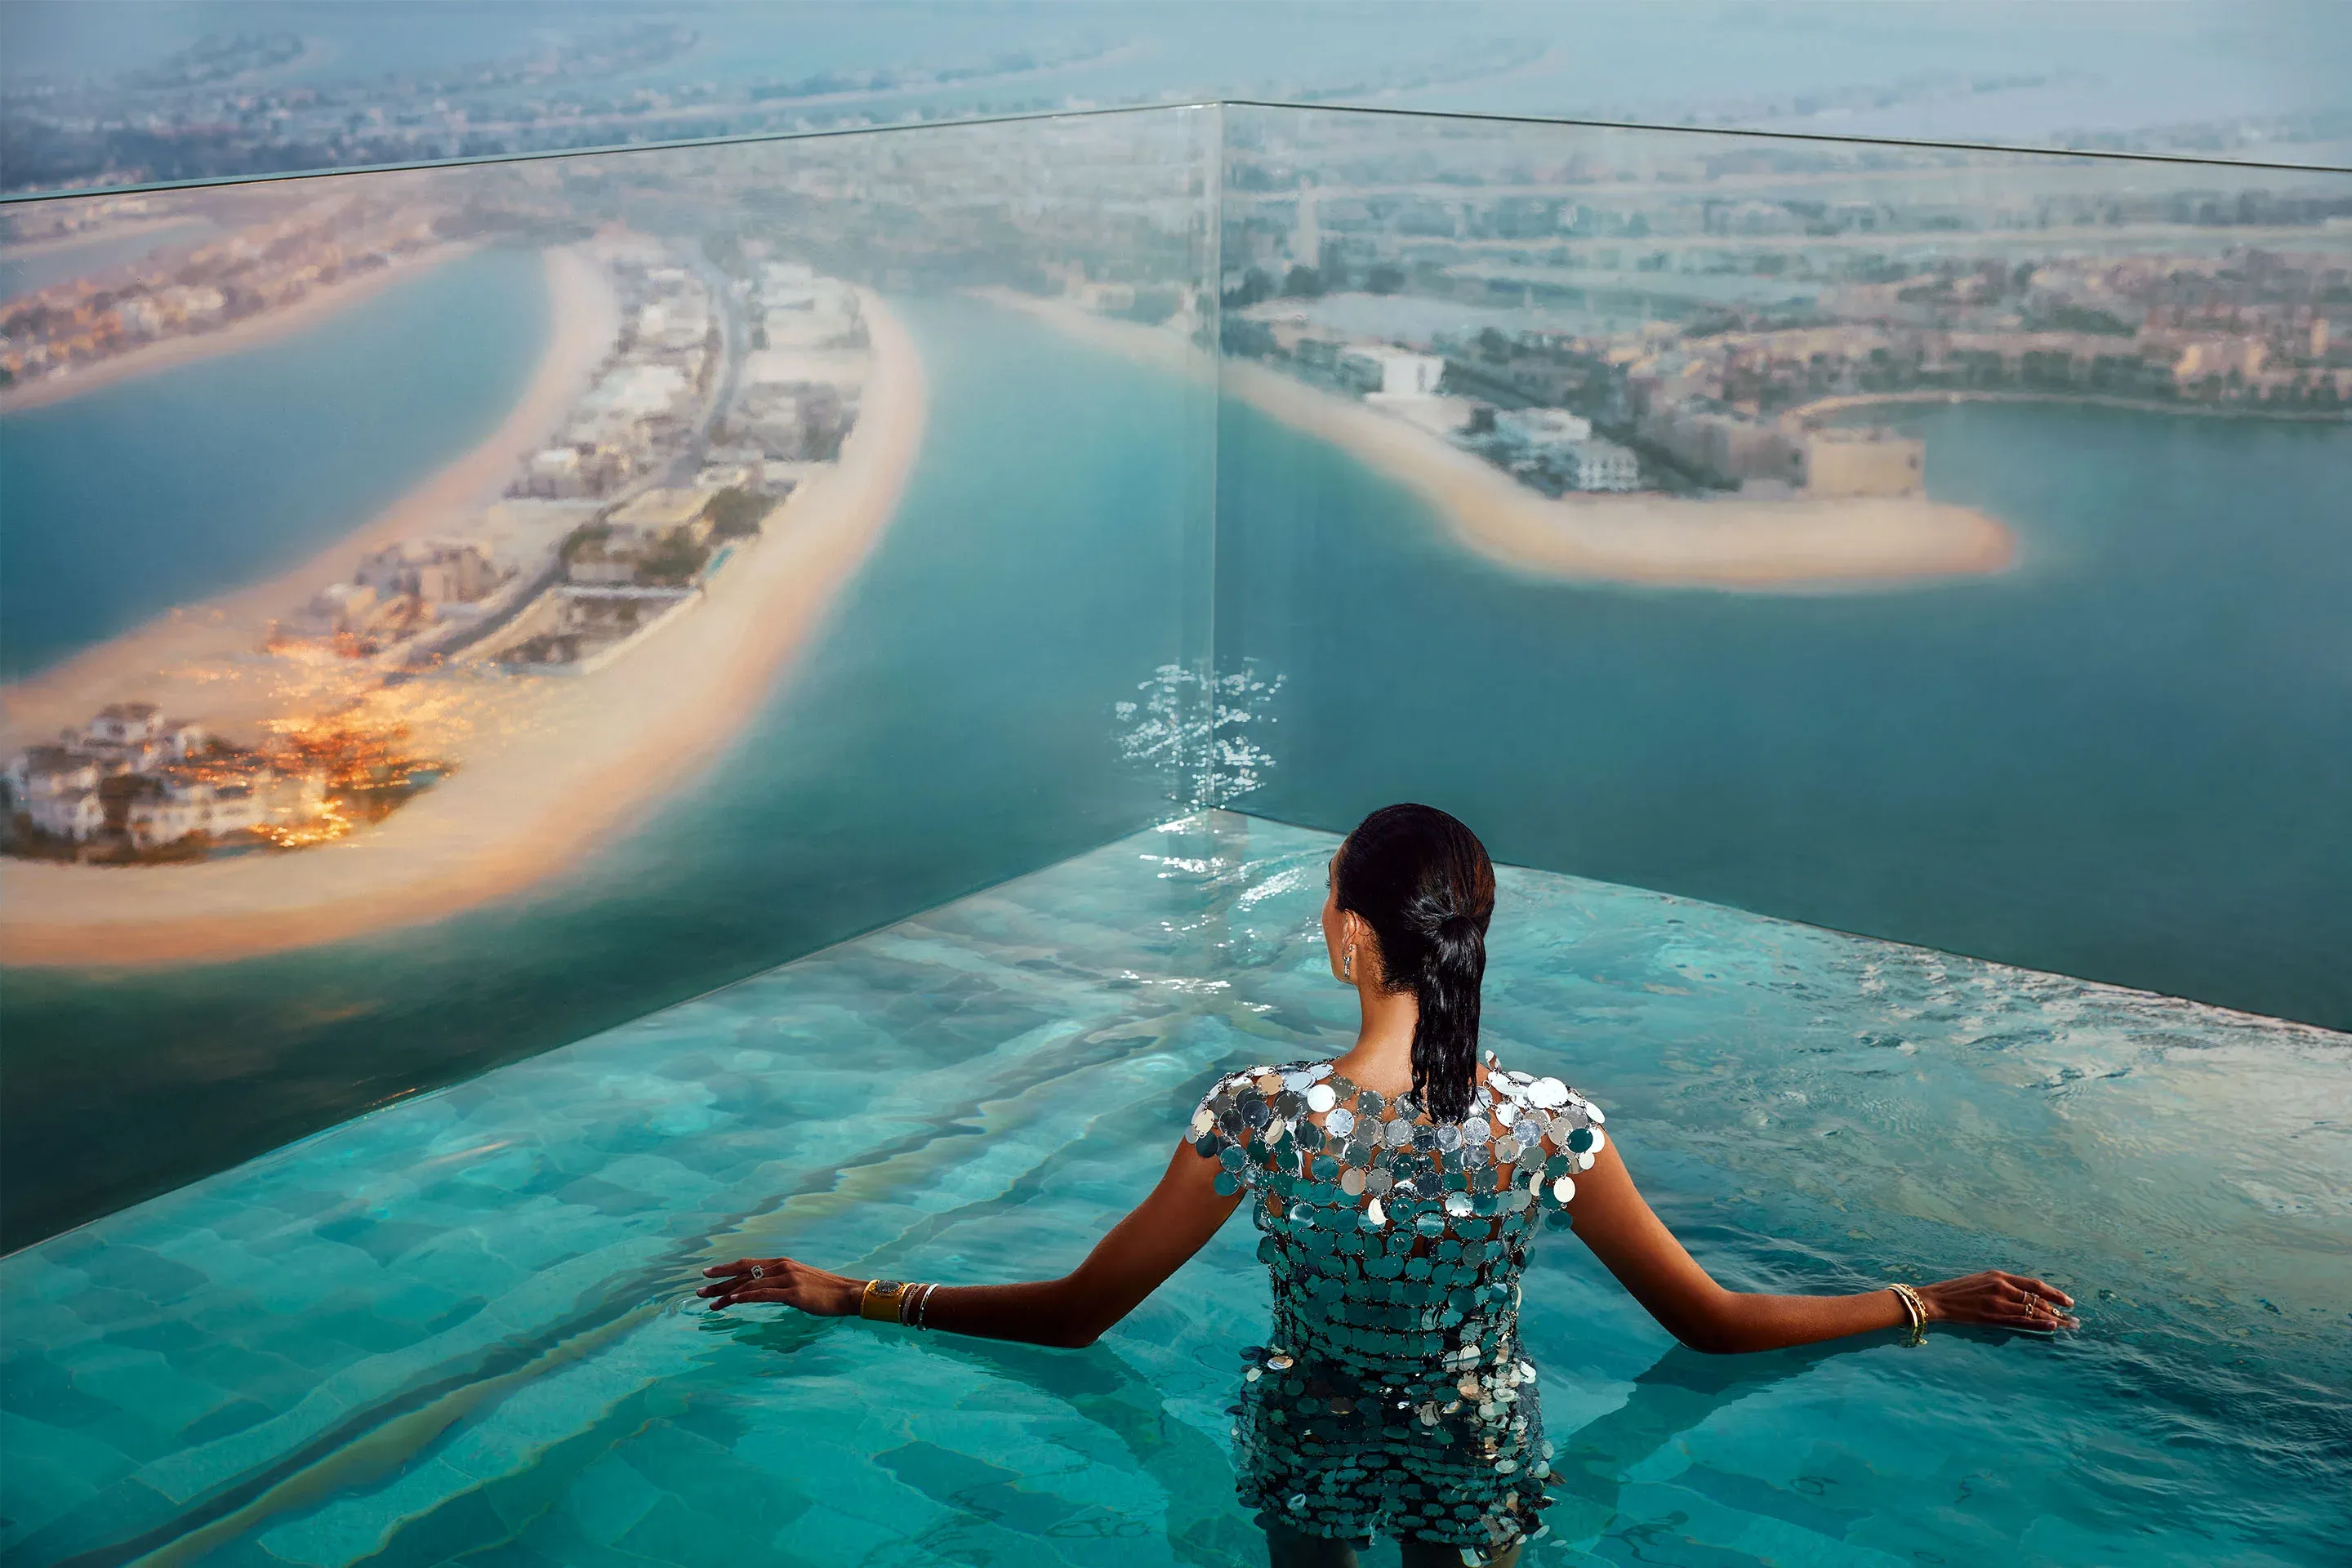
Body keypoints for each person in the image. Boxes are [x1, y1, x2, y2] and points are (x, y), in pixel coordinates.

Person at [701, 803, 2077, 1566]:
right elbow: (1709, 1322)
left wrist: (859, 1291)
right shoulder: (1550, 1130)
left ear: (1354, 939)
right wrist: (1925, 1302)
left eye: (1326, 901)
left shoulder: (1259, 1118)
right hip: (1481, 1461)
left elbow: (1077, 1314)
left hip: (1304, 1450)